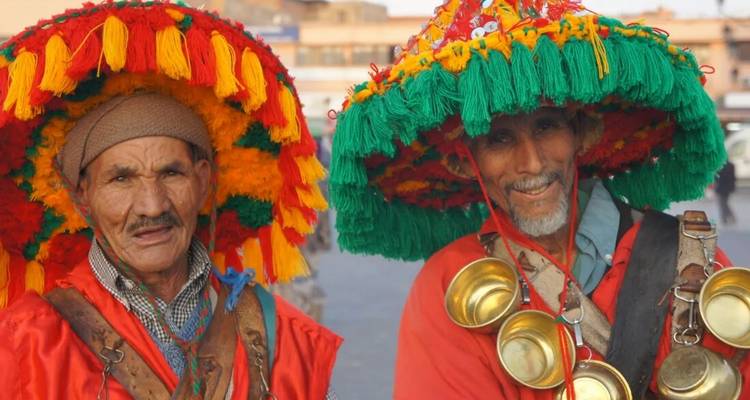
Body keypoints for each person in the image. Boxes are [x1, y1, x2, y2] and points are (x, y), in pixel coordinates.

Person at [329, 0, 746, 398]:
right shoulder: (449, 284)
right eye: (499, 138)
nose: (531, 163)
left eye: (546, 126)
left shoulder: (689, 261)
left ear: (583, 133)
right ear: (464, 164)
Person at [0, 2, 339, 399]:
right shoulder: (27, 343)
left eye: (171, 173)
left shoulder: (282, 335)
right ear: (81, 196)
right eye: (121, 178)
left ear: (203, 181)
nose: (152, 206)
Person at [716, 161, 737, 225]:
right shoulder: (731, 165)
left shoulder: (720, 166)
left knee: (723, 204)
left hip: (721, 188)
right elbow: (733, 178)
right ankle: (727, 218)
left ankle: (726, 218)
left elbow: (716, 178)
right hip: (728, 188)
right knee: (724, 203)